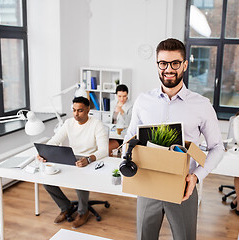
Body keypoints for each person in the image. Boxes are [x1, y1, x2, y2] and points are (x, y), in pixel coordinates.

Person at [123, 38, 224, 240]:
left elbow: (217, 147)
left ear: (185, 65)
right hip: (147, 183)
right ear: (157, 65)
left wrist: (196, 176)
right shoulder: (143, 101)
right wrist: (126, 154)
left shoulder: (202, 105)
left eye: (175, 63)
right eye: (163, 63)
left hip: (183, 187)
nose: (169, 69)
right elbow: (130, 135)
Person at [37, 96, 108, 229]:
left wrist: (88, 159)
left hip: (90, 159)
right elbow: (55, 140)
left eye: (80, 110)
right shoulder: (69, 123)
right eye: (74, 110)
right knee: (47, 181)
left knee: (79, 180)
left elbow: (104, 150)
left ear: (87, 110)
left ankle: (83, 211)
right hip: (72, 158)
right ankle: (66, 207)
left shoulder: (96, 124)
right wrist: (44, 152)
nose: (76, 114)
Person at [109, 84, 132, 155]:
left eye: (124, 96)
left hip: (121, 135)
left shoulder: (130, 105)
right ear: (116, 95)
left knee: (107, 148)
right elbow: (111, 119)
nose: (122, 99)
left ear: (127, 95)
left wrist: (122, 111)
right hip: (111, 132)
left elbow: (129, 122)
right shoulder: (113, 103)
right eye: (119, 96)